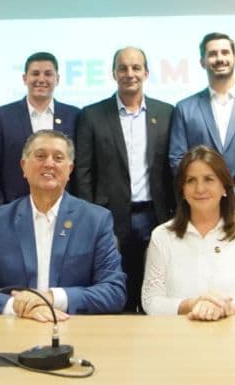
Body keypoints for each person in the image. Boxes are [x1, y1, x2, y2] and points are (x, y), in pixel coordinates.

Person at [0, 130, 124, 319]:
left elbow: (114, 292)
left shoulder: (96, 220)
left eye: (58, 157)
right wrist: (19, 305)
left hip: (73, 328)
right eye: (40, 156)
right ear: (24, 166)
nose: (49, 163)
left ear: (70, 169)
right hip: (15, 329)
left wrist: (52, 298)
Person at [74, 46, 174, 311]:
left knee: (156, 286)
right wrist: (90, 215)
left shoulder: (166, 114)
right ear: (113, 73)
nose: (130, 74)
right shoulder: (92, 115)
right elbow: (83, 172)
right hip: (109, 217)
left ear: (146, 72)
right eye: (123, 68)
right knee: (117, 289)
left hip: (156, 215)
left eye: (136, 67)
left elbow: (171, 168)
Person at [141, 145, 235, 319]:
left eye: (209, 179)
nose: (200, 188)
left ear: (224, 187)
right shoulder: (162, 236)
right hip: (177, 340)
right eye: (191, 180)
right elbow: (151, 301)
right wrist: (193, 305)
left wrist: (226, 308)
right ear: (182, 190)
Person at [167, 32, 235, 218]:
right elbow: (177, 159)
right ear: (202, 62)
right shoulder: (184, 108)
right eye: (212, 54)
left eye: (225, 52)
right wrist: (207, 191)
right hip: (200, 209)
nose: (219, 58)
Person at [0, 51, 80, 209]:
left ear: (57, 79)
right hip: (14, 209)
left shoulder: (74, 115)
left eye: (48, 74)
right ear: (25, 78)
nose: (41, 79)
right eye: (35, 74)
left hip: (64, 209)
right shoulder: (3, 116)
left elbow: (80, 168)